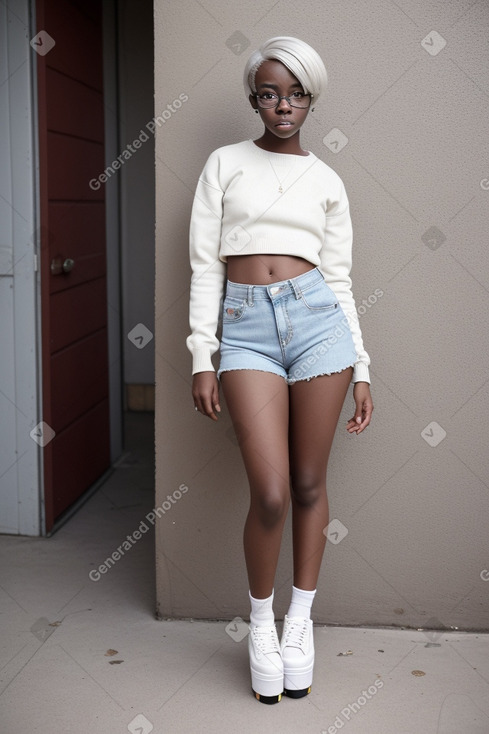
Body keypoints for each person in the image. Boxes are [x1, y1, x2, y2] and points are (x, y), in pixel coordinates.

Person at [187, 36, 374, 704]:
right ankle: (261, 626)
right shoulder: (224, 164)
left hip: (318, 323)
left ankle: (301, 621)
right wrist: (199, 354)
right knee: (267, 492)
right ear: (253, 98)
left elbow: (342, 279)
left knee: (304, 481)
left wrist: (362, 368)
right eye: (269, 92)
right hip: (245, 330)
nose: (282, 105)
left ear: (310, 99)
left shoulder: (326, 181)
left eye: (295, 93)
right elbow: (205, 264)